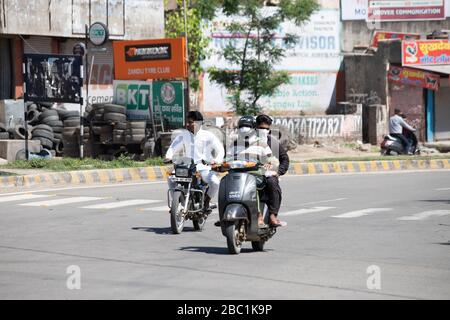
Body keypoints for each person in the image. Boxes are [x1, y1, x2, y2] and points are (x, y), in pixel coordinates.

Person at [164, 111, 224, 212]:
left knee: (215, 182)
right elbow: (173, 148)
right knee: (170, 178)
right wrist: (168, 157)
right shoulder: (183, 135)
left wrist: (217, 160)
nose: (187, 124)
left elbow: (220, 150)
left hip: (203, 168)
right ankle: (177, 203)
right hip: (187, 167)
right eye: (187, 122)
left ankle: (206, 202)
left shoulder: (208, 136)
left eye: (190, 122)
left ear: (199, 123)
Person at [255, 114, 289, 227]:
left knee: (272, 183)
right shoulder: (248, 140)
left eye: (266, 129)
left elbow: (284, 159)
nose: (263, 131)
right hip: (251, 173)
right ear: (255, 127)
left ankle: (273, 215)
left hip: (267, 174)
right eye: (261, 128)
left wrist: (278, 172)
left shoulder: (272, 142)